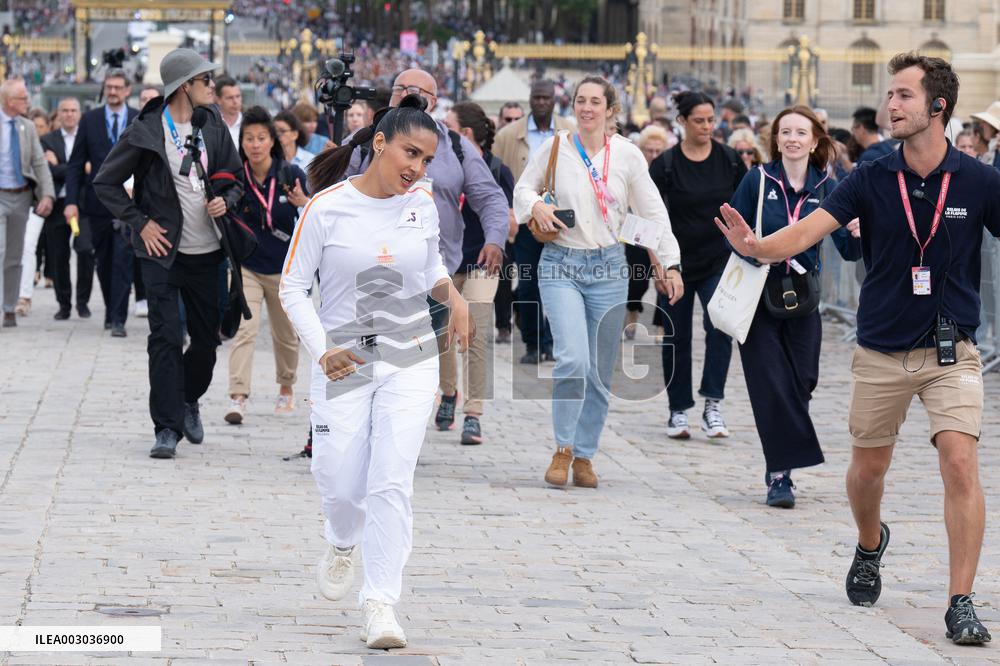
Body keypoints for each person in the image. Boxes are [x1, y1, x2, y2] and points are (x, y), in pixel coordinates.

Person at [716, 53, 997, 645]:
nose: (890, 105)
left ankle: (962, 601)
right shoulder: (870, 176)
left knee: (960, 461)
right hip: (881, 351)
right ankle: (870, 544)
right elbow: (809, 229)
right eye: (890, 95)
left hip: (953, 351)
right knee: (868, 471)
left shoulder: (977, 180)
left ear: (937, 107)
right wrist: (761, 247)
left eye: (903, 96)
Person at [281, 94, 473, 650]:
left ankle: (380, 603)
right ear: (381, 144)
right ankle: (342, 540)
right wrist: (320, 350)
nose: (417, 167)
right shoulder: (327, 207)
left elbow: (431, 264)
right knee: (340, 480)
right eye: (410, 152)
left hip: (410, 354)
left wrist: (453, 296)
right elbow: (294, 287)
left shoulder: (422, 204)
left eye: (427, 159)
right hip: (343, 354)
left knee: (391, 477)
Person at [514, 76, 682, 489]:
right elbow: (522, 189)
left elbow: (653, 213)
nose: (586, 108)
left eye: (595, 102)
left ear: (610, 110)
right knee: (573, 358)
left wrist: (670, 263)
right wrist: (535, 204)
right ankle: (563, 448)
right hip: (560, 263)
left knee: (601, 371)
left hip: (609, 267)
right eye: (580, 101)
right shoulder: (554, 147)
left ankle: (585, 454)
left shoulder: (627, 156)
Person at [329, 68, 508, 433]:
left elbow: (489, 197)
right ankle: (366, 423)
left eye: (419, 91)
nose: (409, 95)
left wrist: (494, 239)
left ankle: (399, 426)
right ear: (390, 95)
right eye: (401, 89)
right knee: (373, 346)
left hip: (432, 270)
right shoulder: (364, 141)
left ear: (434, 101)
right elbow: (330, 192)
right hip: (371, 266)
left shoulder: (455, 145)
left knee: (417, 351)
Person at [93, 48, 243, 459]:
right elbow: (105, 183)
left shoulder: (212, 125)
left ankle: (187, 399)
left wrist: (225, 201)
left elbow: (236, 179)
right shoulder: (144, 129)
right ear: (185, 86)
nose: (213, 87)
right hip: (160, 254)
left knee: (207, 342)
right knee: (163, 338)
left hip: (208, 252)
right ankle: (166, 428)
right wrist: (139, 222)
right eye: (206, 81)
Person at [727, 106, 860, 508]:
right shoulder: (758, 179)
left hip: (804, 298)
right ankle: (780, 476)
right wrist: (756, 252)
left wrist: (859, 230)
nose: (792, 138)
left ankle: (783, 459)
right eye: (785, 132)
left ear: (815, 140)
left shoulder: (830, 188)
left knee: (802, 381)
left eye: (800, 132)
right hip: (759, 297)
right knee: (770, 382)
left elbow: (850, 251)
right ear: (776, 140)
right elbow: (731, 237)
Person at [649, 91, 747, 440]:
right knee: (675, 335)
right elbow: (646, 215)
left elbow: (745, 210)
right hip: (675, 263)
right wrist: (657, 265)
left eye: (711, 120)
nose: (707, 126)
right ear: (682, 123)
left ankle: (713, 404)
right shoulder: (666, 165)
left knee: (719, 328)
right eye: (699, 121)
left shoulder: (731, 160)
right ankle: (678, 409)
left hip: (719, 261)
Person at [224, 106, 308, 424]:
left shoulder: (290, 176)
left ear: (272, 141)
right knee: (245, 329)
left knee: (285, 333)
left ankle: (286, 387)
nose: (255, 144)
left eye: (261, 138)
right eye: (249, 138)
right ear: (241, 143)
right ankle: (238, 396)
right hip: (247, 265)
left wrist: (304, 203)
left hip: (285, 268)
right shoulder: (235, 178)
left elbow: (314, 213)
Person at [442, 100, 514, 445]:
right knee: (440, 330)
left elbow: (506, 216)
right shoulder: (437, 163)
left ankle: (473, 412)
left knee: (476, 328)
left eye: (448, 126)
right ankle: (448, 392)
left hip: (482, 261)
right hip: (445, 261)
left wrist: (497, 239)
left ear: (465, 134)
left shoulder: (498, 171)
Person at [494, 79, 576, 363]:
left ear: (554, 100)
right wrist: (507, 211)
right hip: (526, 219)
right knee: (528, 283)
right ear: (530, 99)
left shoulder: (571, 130)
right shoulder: (508, 135)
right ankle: (533, 342)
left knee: (559, 283)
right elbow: (497, 178)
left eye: (546, 98)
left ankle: (553, 342)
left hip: (561, 221)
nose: (541, 102)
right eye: (536, 97)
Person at [64, 68, 139, 336]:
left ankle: (118, 318)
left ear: (128, 90)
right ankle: (111, 309)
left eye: (118, 87)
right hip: (97, 204)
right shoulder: (90, 120)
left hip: (129, 204)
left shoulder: (138, 119)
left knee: (123, 260)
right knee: (104, 262)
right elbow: (75, 165)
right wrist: (71, 201)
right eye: (109, 87)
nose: (113, 91)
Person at [0, 79, 54, 328]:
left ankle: (9, 307)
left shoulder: (27, 127)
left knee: (14, 256)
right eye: (23, 98)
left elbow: (39, 162)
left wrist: (47, 195)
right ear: (9, 101)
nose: (27, 102)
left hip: (21, 197)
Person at [40, 97, 87, 320]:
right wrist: (78, 168)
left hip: (84, 205)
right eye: (65, 110)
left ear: (79, 113)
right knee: (59, 255)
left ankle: (83, 302)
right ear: (58, 113)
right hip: (58, 205)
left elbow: (94, 169)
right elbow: (47, 172)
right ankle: (64, 304)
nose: (69, 114)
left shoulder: (87, 138)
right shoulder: (47, 140)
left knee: (86, 250)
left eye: (73, 110)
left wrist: (58, 165)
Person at [623, 124, 671, 341]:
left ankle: (661, 324)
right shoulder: (634, 168)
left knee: (664, 275)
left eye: (657, 151)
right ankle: (632, 309)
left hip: (664, 228)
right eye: (648, 150)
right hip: (637, 228)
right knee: (637, 277)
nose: (653, 155)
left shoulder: (668, 168)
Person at [15, 108, 53, 316]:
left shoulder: (47, 144)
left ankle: (24, 295)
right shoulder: (14, 137)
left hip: (35, 201)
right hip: (13, 200)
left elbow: (42, 168)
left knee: (28, 246)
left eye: (41, 127)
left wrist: (47, 194)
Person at [969, 101, 1000, 167]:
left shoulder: (996, 151)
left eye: (985, 122)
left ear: (993, 127)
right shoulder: (992, 149)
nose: (981, 125)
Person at [215, 75, 242, 148]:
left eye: (238, 96)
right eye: (230, 98)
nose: (235, 101)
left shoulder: (249, 123)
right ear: (218, 100)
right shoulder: (212, 124)